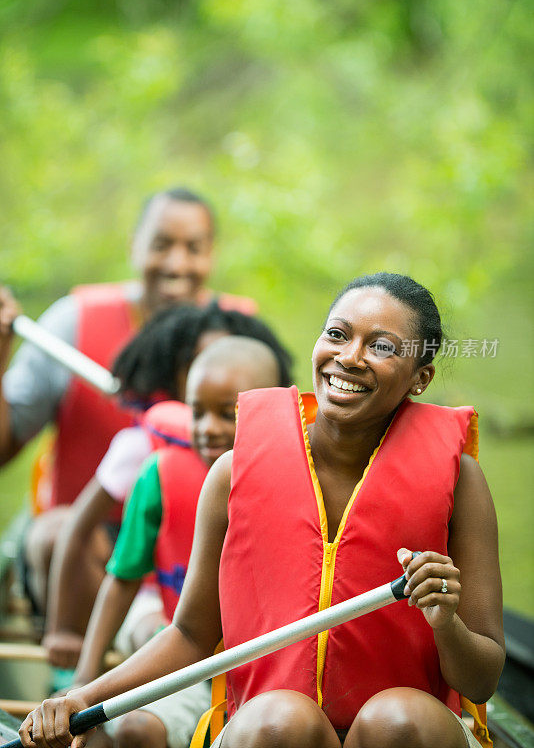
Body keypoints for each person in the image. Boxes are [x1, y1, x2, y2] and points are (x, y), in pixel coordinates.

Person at [19, 273, 505, 748]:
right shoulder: (233, 472)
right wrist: (81, 696)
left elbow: (481, 680)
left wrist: (447, 621)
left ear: (421, 379)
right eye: (337, 334)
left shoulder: (460, 481)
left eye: (381, 347)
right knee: (279, 717)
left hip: (406, 735)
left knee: (399, 718)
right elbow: (190, 634)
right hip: (270, 731)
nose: (349, 358)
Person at [0, 187, 256, 616]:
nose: (177, 264)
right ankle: (78, 663)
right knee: (54, 534)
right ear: (133, 247)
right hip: (87, 545)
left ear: (211, 256)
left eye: (193, 248)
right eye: (161, 245)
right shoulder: (71, 322)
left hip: (192, 549)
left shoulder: (239, 335)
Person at [43, 303, 293, 670]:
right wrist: (62, 632)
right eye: (201, 361)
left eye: (227, 413)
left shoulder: (291, 466)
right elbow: (90, 542)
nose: (209, 427)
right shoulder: (153, 461)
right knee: (158, 636)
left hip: (250, 634)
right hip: (162, 608)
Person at [74, 335, 287, 748]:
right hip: (185, 656)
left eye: (227, 414)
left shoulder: (302, 478)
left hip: (268, 670)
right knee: (136, 730)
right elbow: (123, 580)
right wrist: (85, 679)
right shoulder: (160, 474)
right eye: (197, 412)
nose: (208, 429)